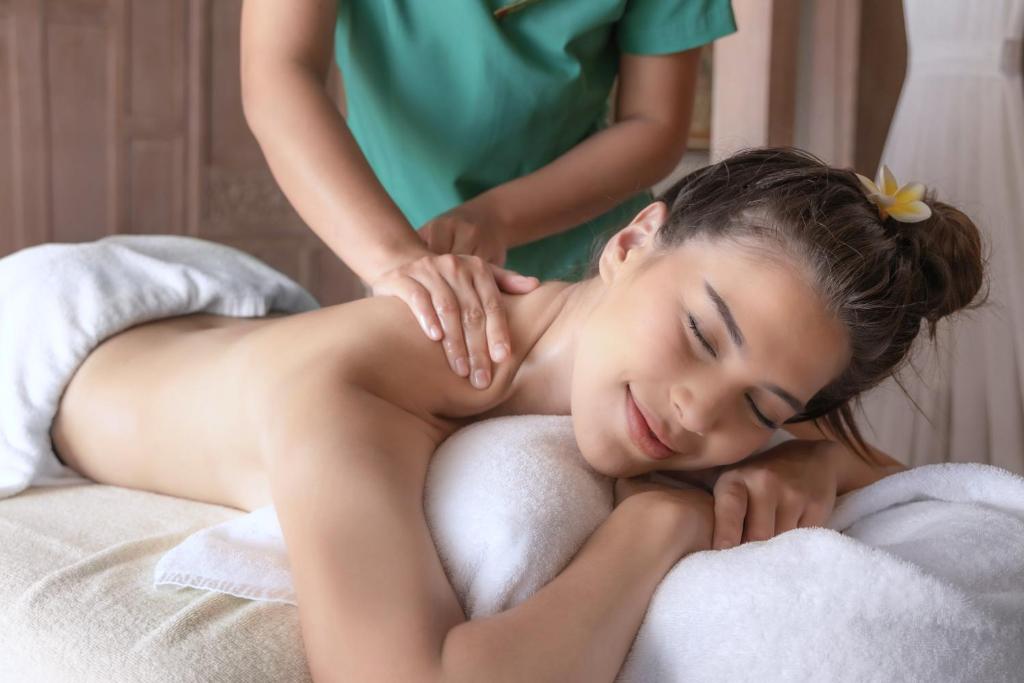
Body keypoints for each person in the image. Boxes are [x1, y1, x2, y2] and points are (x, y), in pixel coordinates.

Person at [49, 148, 983, 680]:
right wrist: (660, 523)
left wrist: (803, 459)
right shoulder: (358, 390)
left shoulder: (684, 398)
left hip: (237, 318)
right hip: (62, 335)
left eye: (760, 405)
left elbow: (884, 471)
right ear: (631, 242)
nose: (700, 411)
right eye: (701, 333)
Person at [240, 0, 736, 394]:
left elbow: (654, 124)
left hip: (592, 262)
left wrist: (496, 218)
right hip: (403, 251)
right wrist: (397, 260)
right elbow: (278, 71)